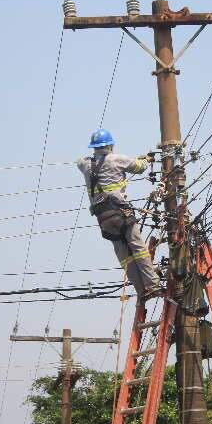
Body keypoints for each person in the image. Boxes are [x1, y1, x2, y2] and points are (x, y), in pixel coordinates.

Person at [77, 128, 163, 302]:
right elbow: (139, 167)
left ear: (94, 147)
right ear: (110, 145)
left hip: (104, 219)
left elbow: (79, 162)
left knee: (125, 256)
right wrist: (145, 159)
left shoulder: (86, 165)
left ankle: (142, 291)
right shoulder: (117, 159)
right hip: (121, 212)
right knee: (139, 249)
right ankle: (153, 285)